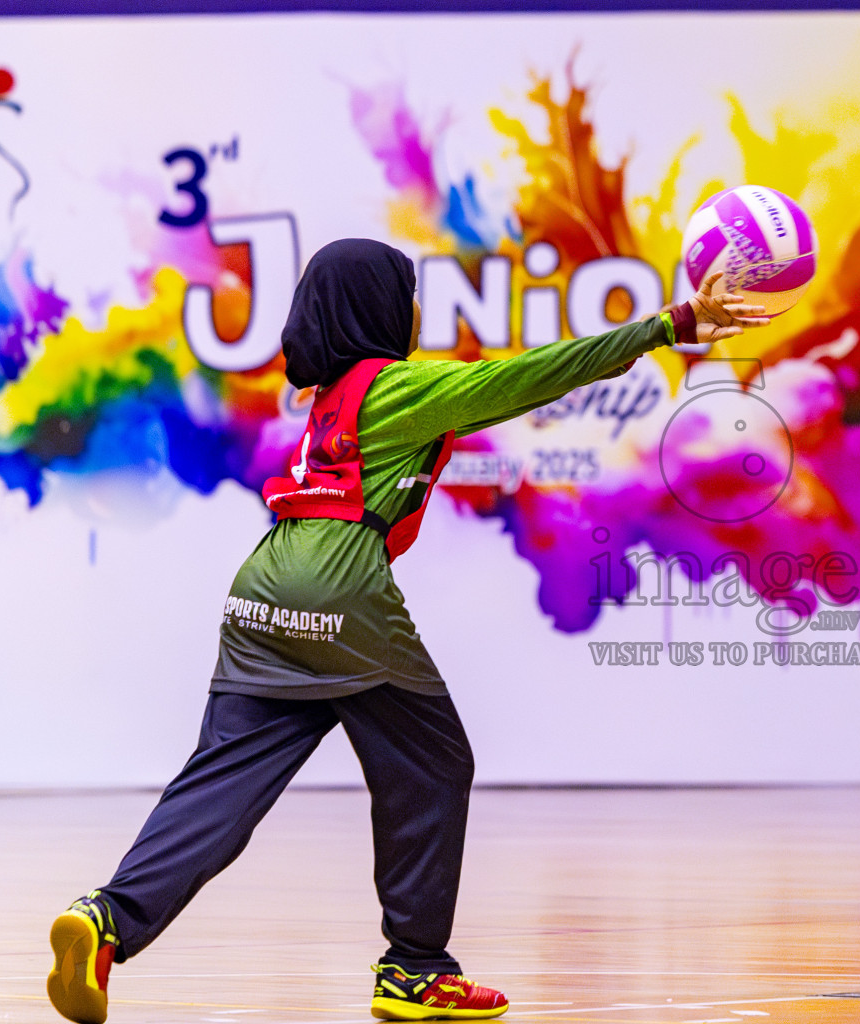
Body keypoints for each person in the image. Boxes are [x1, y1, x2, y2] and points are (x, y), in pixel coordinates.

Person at [44, 238, 768, 1024]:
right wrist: (667, 324)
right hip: (339, 590)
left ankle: (105, 920)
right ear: (378, 309)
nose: (419, 307)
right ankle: (416, 970)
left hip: (261, 593)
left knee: (222, 781)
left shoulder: (329, 394)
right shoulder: (398, 386)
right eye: (409, 291)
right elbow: (529, 376)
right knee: (433, 762)